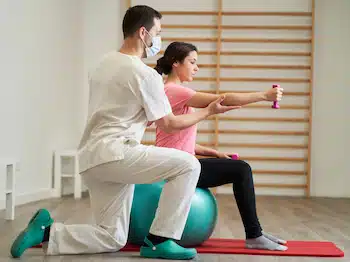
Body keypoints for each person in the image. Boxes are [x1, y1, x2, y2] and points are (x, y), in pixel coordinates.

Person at [9, 6, 239, 260]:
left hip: (91, 158)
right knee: (188, 166)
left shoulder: (102, 64)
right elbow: (169, 124)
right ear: (143, 33)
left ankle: (46, 232)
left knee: (113, 236)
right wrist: (208, 111)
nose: (158, 40)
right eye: (157, 32)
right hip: (118, 153)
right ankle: (160, 240)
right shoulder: (144, 74)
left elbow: (120, 109)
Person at [152, 41, 288, 251]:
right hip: (176, 171)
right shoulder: (175, 91)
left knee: (236, 168)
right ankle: (254, 234)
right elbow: (222, 100)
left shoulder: (170, 91)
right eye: (192, 62)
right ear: (175, 63)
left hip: (178, 163)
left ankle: (256, 232)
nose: (196, 68)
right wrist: (264, 96)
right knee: (241, 170)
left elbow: (175, 140)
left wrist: (215, 153)